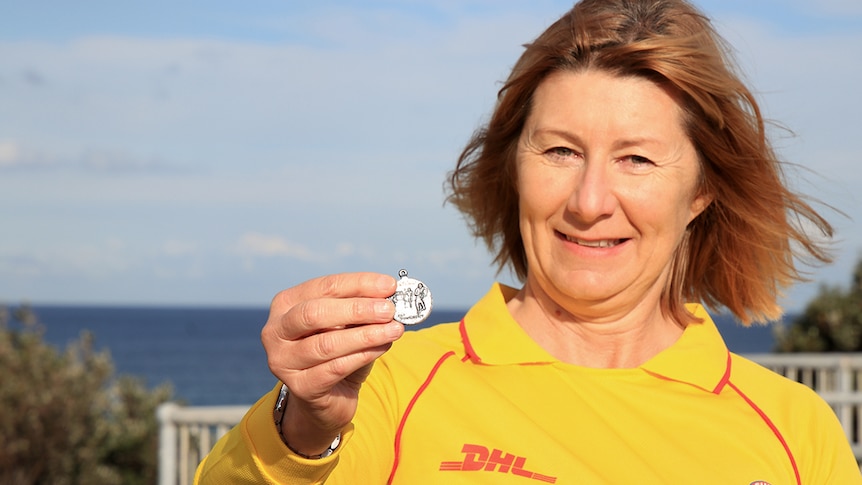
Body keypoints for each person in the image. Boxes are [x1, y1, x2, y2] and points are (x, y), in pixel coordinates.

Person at [195, 0, 861, 483]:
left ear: (701, 192)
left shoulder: (796, 432)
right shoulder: (386, 388)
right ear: (514, 167)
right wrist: (303, 427)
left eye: (636, 159)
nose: (590, 201)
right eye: (562, 151)